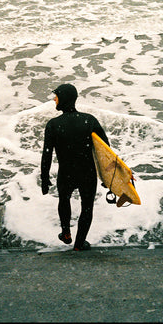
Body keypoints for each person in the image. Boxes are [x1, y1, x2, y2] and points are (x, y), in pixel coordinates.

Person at [41, 83, 109, 251]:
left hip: (66, 172)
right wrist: (108, 177)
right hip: (87, 172)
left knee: (64, 201)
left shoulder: (53, 124)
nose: (54, 99)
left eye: (56, 96)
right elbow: (105, 150)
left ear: (63, 98)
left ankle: (65, 232)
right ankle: (79, 244)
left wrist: (44, 178)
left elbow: (47, 153)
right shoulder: (89, 120)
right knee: (87, 206)